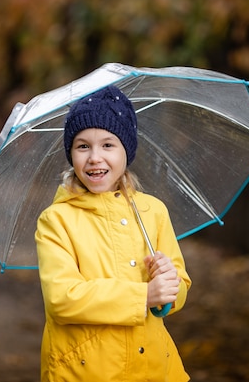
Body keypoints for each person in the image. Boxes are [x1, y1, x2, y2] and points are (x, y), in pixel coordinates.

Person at [35, 84, 192, 381]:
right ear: (71, 153)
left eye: (108, 145)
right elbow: (62, 299)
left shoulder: (152, 211)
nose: (95, 157)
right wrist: (144, 294)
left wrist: (168, 286)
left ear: (126, 151)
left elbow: (179, 286)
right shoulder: (57, 220)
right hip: (85, 370)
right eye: (83, 146)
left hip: (154, 368)